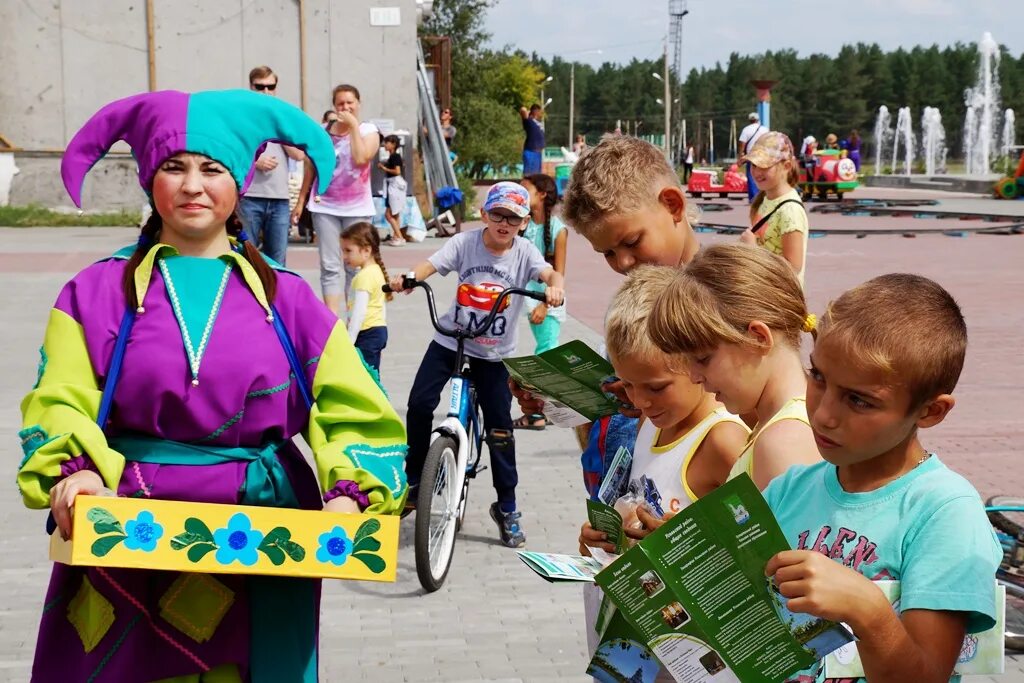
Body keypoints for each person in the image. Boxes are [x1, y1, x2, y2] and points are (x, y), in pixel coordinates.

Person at [22, 89, 407, 682]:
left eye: (212, 169)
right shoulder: (94, 292)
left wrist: (352, 491)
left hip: (265, 525)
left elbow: (353, 405)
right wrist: (74, 472)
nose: (193, 185)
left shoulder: (290, 298)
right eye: (174, 167)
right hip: (126, 518)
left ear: (241, 182)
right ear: (150, 180)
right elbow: (61, 397)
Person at [763, 273, 1001, 683]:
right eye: (818, 377)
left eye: (859, 400)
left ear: (930, 411)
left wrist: (868, 610)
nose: (822, 414)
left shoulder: (945, 513)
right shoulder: (788, 489)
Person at [579, 265, 749, 682]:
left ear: (696, 365)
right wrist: (603, 536)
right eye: (628, 385)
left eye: (655, 387)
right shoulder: (649, 422)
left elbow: (755, 554)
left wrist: (681, 545)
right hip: (641, 636)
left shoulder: (723, 440)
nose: (640, 400)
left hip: (696, 654)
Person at [512, 135, 701, 500]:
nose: (623, 264)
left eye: (631, 242)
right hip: (622, 505)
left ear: (673, 205)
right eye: (607, 253)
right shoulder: (633, 301)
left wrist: (644, 398)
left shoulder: (720, 301)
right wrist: (558, 401)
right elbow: (603, 417)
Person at [391, 182, 565, 548]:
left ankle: (506, 506)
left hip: (494, 355)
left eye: (513, 218)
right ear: (485, 214)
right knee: (420, 404)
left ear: (523, 222)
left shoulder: (525, 252)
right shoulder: (466, 243)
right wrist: (410, 278)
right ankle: (416, 479)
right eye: (497, 214)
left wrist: (554, 286)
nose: (504, 223)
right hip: (451, 342)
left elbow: (548, 273)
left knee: (500, 431)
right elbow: (431, 264)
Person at [647, 244, 821, 491]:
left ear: (759, 337)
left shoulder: (783, 442)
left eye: (703, 359)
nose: (695, 377)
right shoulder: (780, 424)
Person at [293, 84, 381, 315]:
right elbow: (311, 167)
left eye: (350, 102)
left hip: (357, 208)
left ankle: (355, 316)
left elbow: (361, 158)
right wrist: (301, 200)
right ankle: (332, 321)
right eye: (341, 103)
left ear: (358, 103)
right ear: (334, 106)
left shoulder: (368, 130)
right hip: (325, 206)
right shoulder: (322, 132)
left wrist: (352, 126)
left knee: (355, 265)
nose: (346, 107)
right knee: (330, 266)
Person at [512, 173, 569, 431]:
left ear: (542, 194)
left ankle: (540, 413)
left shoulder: (558, 230)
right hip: (524, 297)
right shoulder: (524, 225)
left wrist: (546, 304)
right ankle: (539, 411)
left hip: (547, 301)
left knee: (545, 354)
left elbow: (559, 273)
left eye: (526, 189)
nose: (522, 193)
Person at [238, 65, 306, 266]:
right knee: (246, 257)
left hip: (279, 198)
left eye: (270, 86)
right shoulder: (244, 116)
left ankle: (274, 298)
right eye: (260, 87)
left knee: (277, 261)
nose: (266, 91)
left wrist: (279, 128)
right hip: (250, 196)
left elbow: (299, 155)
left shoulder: (282, 115)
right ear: (251, 87)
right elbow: (232, 151)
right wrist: (255, 160)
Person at [739, 132, 810, 285]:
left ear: (787, 166)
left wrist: (753, 250)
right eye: (754, 165)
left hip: (780, 301)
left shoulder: (790, 211)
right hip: (764, 292)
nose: (757, 172)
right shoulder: (765, 199)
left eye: (765, 166)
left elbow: (792, 267)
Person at [341, 221, 390, 373]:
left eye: (348, 251)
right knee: (372, 375)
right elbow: (381, 308)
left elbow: (359, 312)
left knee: (365, 378)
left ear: (366, 251)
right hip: (377, 330)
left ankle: (375, 398)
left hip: (366, 332)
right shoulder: (375, 271)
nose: (344, 256)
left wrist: (349, 341)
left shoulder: (364, 277)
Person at [378, 134, 408, 246]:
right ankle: (396, 235)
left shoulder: (395, 156)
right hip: (393, 186)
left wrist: (384, 168)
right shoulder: (393, 157)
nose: (385, 145)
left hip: (394, 186)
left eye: (387, 143)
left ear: (394, 144)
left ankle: (400, 236)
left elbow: (397, 171)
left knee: (388, 214)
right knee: (395, 214)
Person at [737, 112, 768, 203]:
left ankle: (754, 198)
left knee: (751, 176)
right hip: (763, 156)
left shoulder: (746, 129)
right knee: (764, 176)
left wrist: (740, 156)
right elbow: (769, 141)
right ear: (758, 120)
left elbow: (742, 144)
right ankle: (764, 197)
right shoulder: (765, 129)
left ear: (750, 120)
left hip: (752, 156)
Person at [519, 104, 546, 175]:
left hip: (538, 153)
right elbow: (523, 109)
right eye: (539, 111)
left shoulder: (538, 123)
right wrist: (528, 112)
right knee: (528, 174)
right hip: (530, 152)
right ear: (535, 111)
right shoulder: (528, 121)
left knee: (537, 175)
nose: (540, 113)